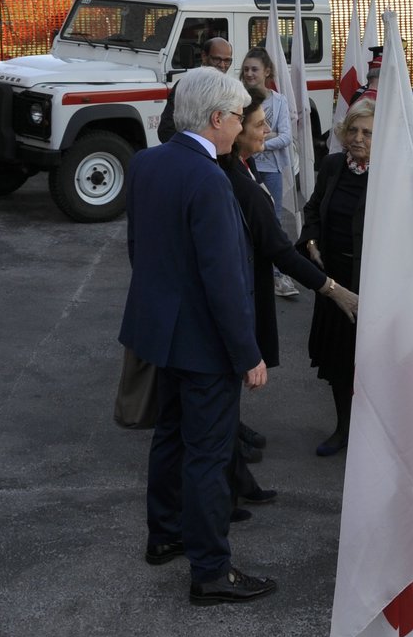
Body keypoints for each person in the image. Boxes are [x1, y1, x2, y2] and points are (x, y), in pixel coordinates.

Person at [115, 65, 275, 605]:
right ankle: (210, 570)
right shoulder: (208, 178)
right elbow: (224, 277)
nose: (242, 127)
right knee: (207, 454)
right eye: (237, 117)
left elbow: (142, 250)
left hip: (161, 331)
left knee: (170, 436)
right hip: (204, 342)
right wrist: (247, 353)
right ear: (215, 119)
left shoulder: (146, 163)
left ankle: (165, 536)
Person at [220, 85, 361, 501]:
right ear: (236, 130)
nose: (268, 132)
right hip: (289, 286)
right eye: (260, 125)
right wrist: (334, 290)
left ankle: (236, 475)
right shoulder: (239, 180)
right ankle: (232, 485)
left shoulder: (243, 168)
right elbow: (281, 248)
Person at [299, 99, 375, 457]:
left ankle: (374, 435)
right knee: (338, 361)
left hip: (373, 283)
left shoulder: (391, 174)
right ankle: (344, 428)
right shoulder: (332, 166)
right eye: (353, 131)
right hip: (334, 282)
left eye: (368, 133)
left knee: (373, 363)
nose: (358, 139)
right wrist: (311, 240)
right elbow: (313, 207)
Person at [239, 48, 299, 298]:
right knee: (243, 220)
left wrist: (260, 141)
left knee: (271, 221)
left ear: (267, 72)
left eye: (255, 69)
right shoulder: (239, 98)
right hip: (243, 169)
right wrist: (266, 135)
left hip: (270, 170)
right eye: (246, 69)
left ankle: (274, 274)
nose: (250, 73)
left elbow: (285, 136)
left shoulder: (279, 101)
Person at [158, 37, 235, 143]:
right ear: (204, 56)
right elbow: (166, 130)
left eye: (227, 61)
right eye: (217, 59)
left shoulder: (231, 91)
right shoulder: (186, 85)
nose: (222, 65)